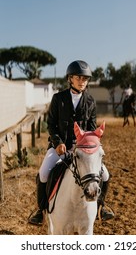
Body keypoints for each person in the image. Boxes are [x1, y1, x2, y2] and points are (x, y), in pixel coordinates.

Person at [28, 60, 114, 226]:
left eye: (85, 78)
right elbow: (51, 125)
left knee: (105, 175)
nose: (82, 81)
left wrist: (92, 144)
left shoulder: (90, 101)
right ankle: (40, 210)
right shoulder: (58, 98)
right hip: (59, 148)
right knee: (43, 174)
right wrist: (58, 142)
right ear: (70, 79)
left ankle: (101, 207)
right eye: (79, 78)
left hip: (81, 150)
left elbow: (90, 128)